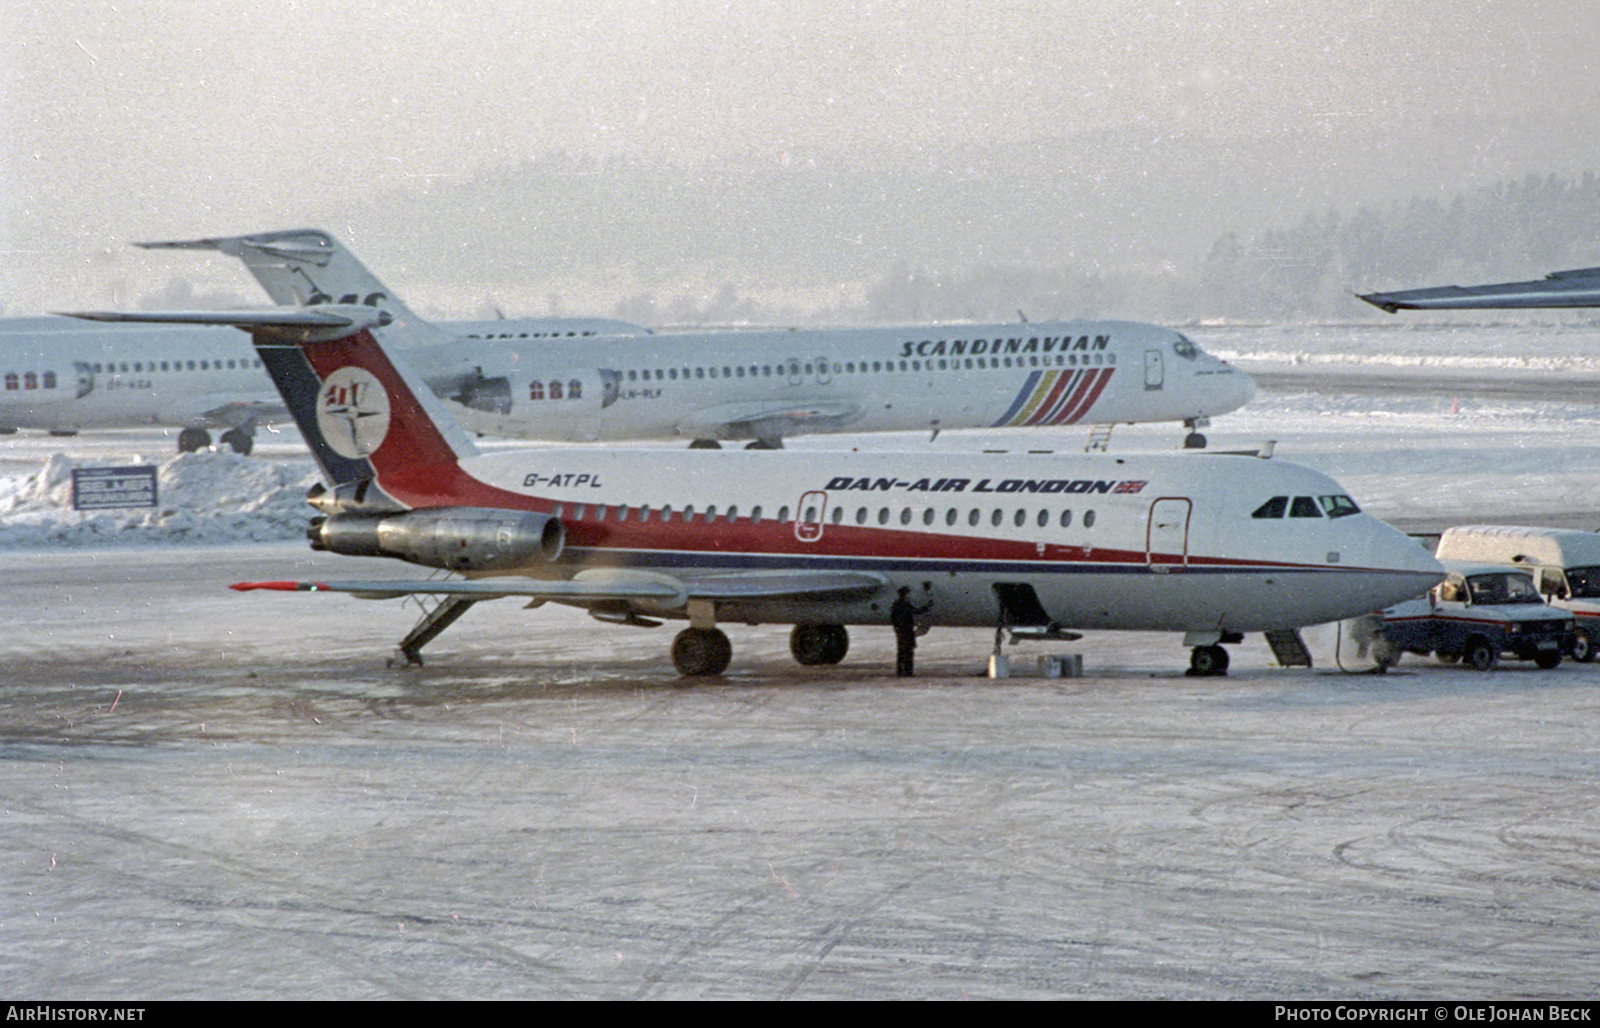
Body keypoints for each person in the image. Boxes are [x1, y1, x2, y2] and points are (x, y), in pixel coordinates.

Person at [890, 586, 933, 677]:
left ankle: (900, 671)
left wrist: (896, 629)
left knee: (901, 652)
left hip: (900, 630)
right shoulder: (905, 604)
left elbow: (893, 618)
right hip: (907, 630)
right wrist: (927, 606)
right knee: (908, 652)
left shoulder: (896, 604)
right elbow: (917, 611)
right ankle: (908, 672)